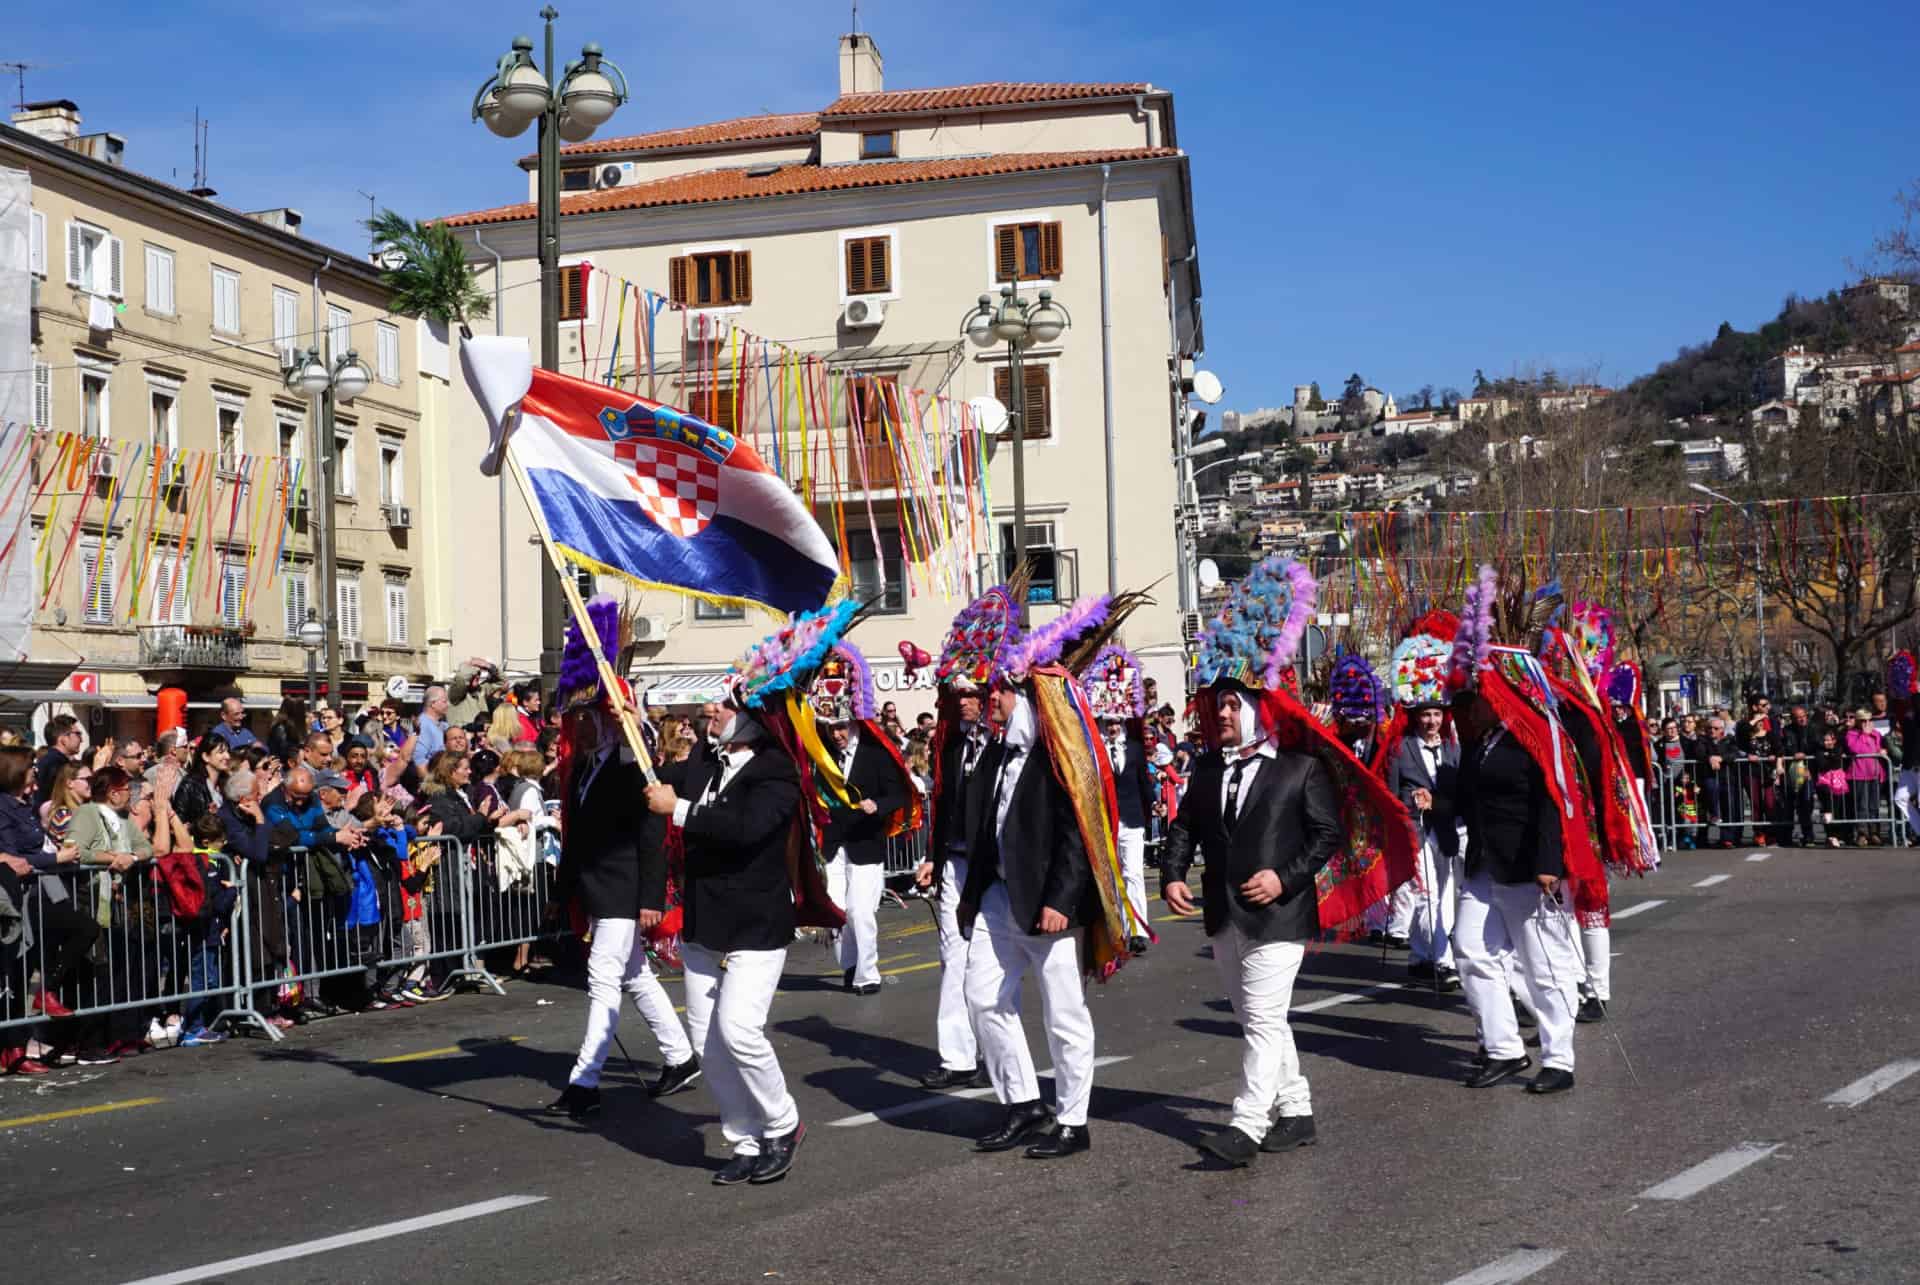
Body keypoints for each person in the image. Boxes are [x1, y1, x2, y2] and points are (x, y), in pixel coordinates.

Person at [1162, 556, 1415, 1165]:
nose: (1221, 714)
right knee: (1259, 1020)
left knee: (1264, 1016)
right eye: (1216, 705)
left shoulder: (1299, 769)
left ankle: (1246, 1125)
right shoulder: (1205, 769)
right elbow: (1185, 827)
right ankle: (1295, 1108)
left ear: (1255, 707)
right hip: (1224, 914)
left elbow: (1325, 837)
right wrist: (1172, 873)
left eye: (1232, 705)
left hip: (1280, 916)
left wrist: (1284, 877)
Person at [946, 580, 1149, 1162]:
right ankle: (1021, 1102)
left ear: (1019, 696)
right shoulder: (989, 754)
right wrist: (969, 897)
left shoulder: (1056, 757)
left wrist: (1062, 898)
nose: (988, 703)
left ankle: (1073, 1117)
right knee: (983, 997)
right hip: (999, 899)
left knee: (1063, 1012)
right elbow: (981, 832)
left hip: (1049, 906)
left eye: (997, 695)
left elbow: (1079, 835)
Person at [643, 701, 811, 1185]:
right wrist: (625, 733)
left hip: (755, 922)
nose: (713, 708)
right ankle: (744, 1139)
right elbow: (656, 776)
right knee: (708, 1044)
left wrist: (678, 809)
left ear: (756, 718)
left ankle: (784, 1123)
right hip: (705, 922)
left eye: (728, 704)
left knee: (739, 1030)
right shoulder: (705, 759)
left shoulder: (777, 771)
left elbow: (745, 829)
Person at [1448, 572, 1599, 1097]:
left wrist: (1549, 861)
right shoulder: (1480, 742)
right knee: (1469, 947)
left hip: (1527, 865)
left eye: (1478, 694)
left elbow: (1554, 803)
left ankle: (1559, 1057)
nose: (1470, 703)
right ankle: (1505, 1047)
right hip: (1486, 863)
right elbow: (1468, 796)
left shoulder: (1535, 736)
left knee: (1544, 963)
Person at [547, 651, 699, 1120]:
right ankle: (680, 1056)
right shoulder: (581, 772)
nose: (578, 727)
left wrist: (651, 897)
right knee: (633, 974)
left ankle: (585, 1080)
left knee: (604, 977)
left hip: (625, 886)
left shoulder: (631, 763)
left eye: (586, 717)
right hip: (597, 886)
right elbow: (576, 840)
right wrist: (560, 895)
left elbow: (652, 833)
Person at [914, 672, 994, 1090]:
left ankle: (992, 1050)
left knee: (987, 964)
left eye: (971, 695)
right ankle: (958, 1057)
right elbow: (942, 805)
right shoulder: (950, 744)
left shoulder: (1003, 743)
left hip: (993, 870)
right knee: (953, 956)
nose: (964, 702)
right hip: (955, 864)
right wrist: (932, 856)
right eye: (957, 695)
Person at [818, 650, 913, 997]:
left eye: (841, 727)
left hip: (866, 844)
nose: (836, 735)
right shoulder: (823, 757)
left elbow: (898, 795)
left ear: (854, 724)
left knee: (861, 912)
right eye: (830, 729)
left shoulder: (876, 755)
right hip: (834, 844)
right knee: (838, 913)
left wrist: (878, 806)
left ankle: (867, 973)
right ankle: (849, 966)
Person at [1386, 615, 1464, 990]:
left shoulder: (1453, 747)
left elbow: (1461, 788)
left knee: (1444, 894)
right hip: (1415, 830)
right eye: (1426, 715)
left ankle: (1420, 955)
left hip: (1446, 829)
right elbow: (1391, 791)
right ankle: (1442, 960)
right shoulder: (1401, 749)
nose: (1432, 721)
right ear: (1415, 717)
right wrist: (1411, 801)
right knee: (1426, 893)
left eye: (1436, 714)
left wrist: (1440, 800)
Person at [1085, 646, 1156, 955]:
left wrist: (1153, 804)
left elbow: (1144, 783)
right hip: (1104, 821)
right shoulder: (1093, 752)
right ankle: (1116, 929)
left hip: (1131, 821)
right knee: (1110, 877)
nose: (1113, 725)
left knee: (1133, 873)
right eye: (1108, 720)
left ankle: (1138, 930)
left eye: (1117, 721)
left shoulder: (1137, 749)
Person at [1844, 709, 1887, 846]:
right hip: (1859, 775)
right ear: (1857, 721)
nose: (1866, 723)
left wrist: (1882, 751)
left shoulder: (1876, 734)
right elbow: (1855, 749)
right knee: (1862, 806)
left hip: (1874, 774)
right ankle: (1862, 834)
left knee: (1874, 806)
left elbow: (1880, 748)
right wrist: (1864, 734)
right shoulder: (1851, 734)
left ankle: (1874, 832)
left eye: (1869, 720)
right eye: (1863, 720)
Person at [172, 737, 232, 825]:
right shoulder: (190, 784)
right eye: (221, 752)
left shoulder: (228, 784)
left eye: (228, 752)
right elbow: (179, 822)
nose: (227, 756)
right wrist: (207, 819)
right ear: (206, 756)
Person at [34, 713, 83, 809]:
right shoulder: (56, 763)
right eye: (78, 734)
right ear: (63, 739)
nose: (81, 740)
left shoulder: (50, 759)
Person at [413, 685, 450, 770]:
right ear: (433, 703)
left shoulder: (444, 725)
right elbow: (419, 760)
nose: (448, 705)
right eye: (444, 701)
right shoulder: (423, 725)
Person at [266, 697, 308, 765]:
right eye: (303, 709)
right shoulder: (281, 727)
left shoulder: (290, 726)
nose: (305, 713)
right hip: (285, 766)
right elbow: (284, 750)